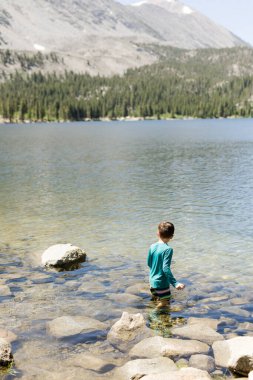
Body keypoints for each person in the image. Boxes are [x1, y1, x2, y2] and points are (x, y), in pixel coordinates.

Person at [147, 221, 185, 309]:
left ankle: (152, 309)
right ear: (171, 236)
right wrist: (175, 283)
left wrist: (155, 272)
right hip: (161, 283)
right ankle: (153, 313)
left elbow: (149, 263)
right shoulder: (168, 249)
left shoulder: (152, 246)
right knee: (165, 302)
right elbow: (165, 268)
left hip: (152, 281)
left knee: (156, 298)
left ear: (158, 233)